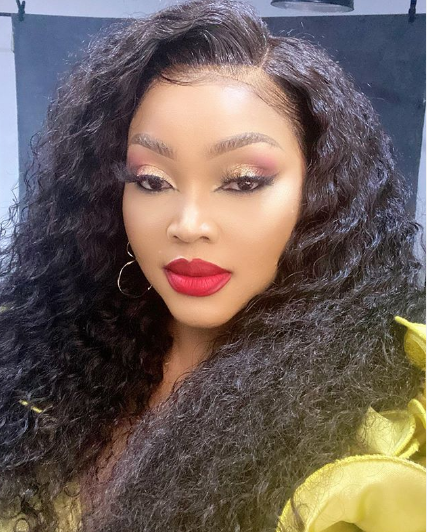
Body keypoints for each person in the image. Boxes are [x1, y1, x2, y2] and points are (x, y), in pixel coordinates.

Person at [0, 0, 425, 530]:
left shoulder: (378, 456)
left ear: (322, 195)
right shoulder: (35, 356)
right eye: (151, 181)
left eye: (243, 181)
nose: (188, 224)